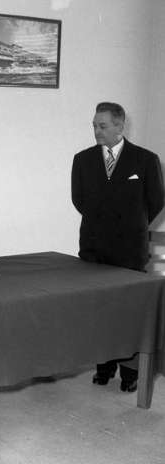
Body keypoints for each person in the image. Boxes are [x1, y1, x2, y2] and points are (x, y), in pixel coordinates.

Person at [71, 101, 164, 392]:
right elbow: (79, 199)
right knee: (99, 311)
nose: (97, 131)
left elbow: (156, 201)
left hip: (130, 250)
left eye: (102, 126)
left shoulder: (145, 159)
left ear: (120, 126)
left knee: (128, 312)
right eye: (94, 125)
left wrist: (130, 225)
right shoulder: (83, 159)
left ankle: (130, 373)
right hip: (94, 249)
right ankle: (104, 366)